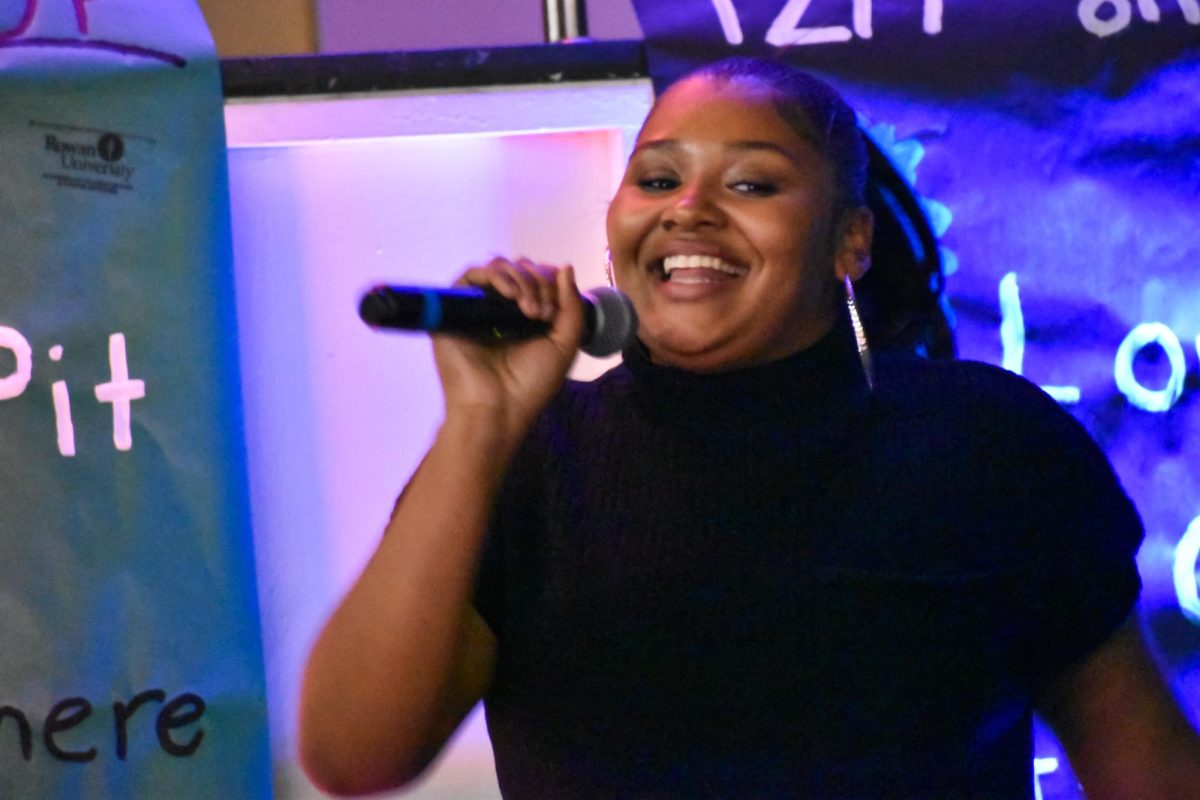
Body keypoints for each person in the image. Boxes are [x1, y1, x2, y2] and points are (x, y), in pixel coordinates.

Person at [297, 57, 1200, 798]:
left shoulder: (991, 445)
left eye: (751, 182)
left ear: (850, 242)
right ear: (615, 233)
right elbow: (352, 758)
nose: (688, 208)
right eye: (657, 178)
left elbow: (1149, 772)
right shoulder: (530, 459)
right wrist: (480, 428)